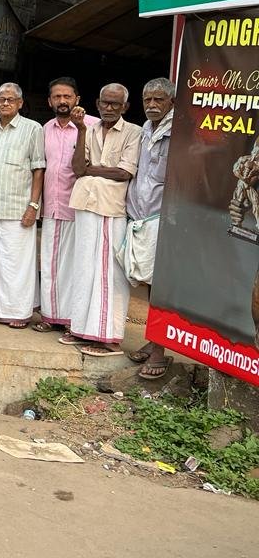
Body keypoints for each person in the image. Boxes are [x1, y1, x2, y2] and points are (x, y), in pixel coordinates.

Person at [67, 83, 142, 355]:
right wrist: (82, 131)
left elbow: (124, 173)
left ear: (125, 107)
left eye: (115, 104)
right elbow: (77, 169)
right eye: (105, 103)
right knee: (84, 267)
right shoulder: (89, 128)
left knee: (110, 272)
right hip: (85, 204)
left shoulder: (135, 132)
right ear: (97, 104)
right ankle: (82, 329)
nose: (109, 108)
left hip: (112, 208)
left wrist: (92, 170)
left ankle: (108, 337)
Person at [0, 82, 45, 328]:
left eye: (10, 100)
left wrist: (33, 206)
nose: (5, 103)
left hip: (18, 209)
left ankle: (18, 313)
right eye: (1, 99)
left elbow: (38, 169)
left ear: (20, 103)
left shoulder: (32, 129)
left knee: (16, 265)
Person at [35, 78, 98, 333]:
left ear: (77, 99)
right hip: (52, 206)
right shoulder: (45, 129)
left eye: (67, 96)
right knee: (50, 263)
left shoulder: (92, 126)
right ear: (50, 101)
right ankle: (50, 316)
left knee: (77, 265)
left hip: (80, 208)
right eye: (57, 97)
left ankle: (75, 319)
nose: (63, 101)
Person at [122, 78, 175, 377]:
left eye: (159, 100)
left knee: (161, 287)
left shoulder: (178, 132)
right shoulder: (144, 129)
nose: (152, 105)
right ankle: (153, 340)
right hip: (141, 216)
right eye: (148, 100)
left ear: (171, 103)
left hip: (163, 218)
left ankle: (159, 351)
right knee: (146, 284)